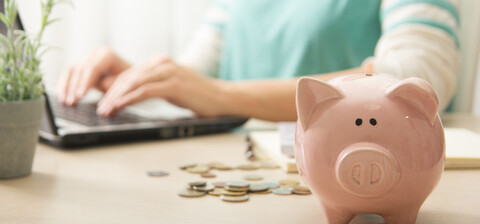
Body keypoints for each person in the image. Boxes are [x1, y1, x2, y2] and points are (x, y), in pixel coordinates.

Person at [57, 0, 460, 122]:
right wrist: (136, 79)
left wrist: (220, 95)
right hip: (241, 176)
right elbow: (196, 79)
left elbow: (416, 80)